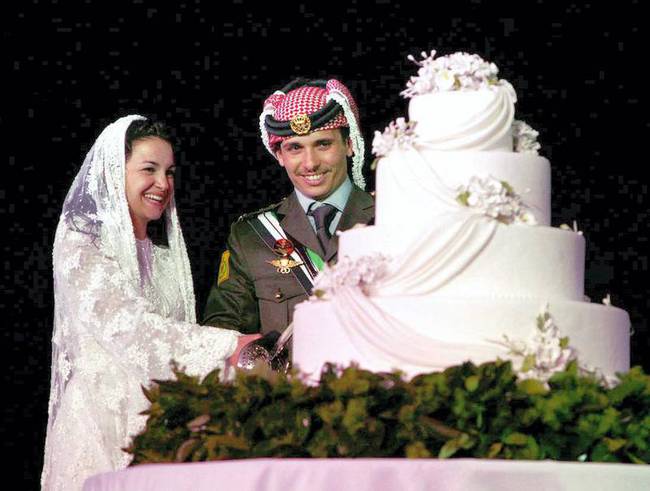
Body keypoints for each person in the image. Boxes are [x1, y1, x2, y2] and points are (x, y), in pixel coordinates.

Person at [41, 115, 256, 491]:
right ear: (114, 173)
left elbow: (180, 336)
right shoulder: (80, 246)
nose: (163, 183)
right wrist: (231, 346)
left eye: (169, 172)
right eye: (149, 169)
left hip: (164, 427)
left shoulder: (165, 258)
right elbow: (131, 330)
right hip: (102, 428)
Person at [203, 78, 374, 338]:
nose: (310, 163)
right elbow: (222, 334)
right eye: (295, 148)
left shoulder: (390, 216)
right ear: (279, 155)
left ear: (349, 144)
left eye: (323, 144)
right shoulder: (251, 236)